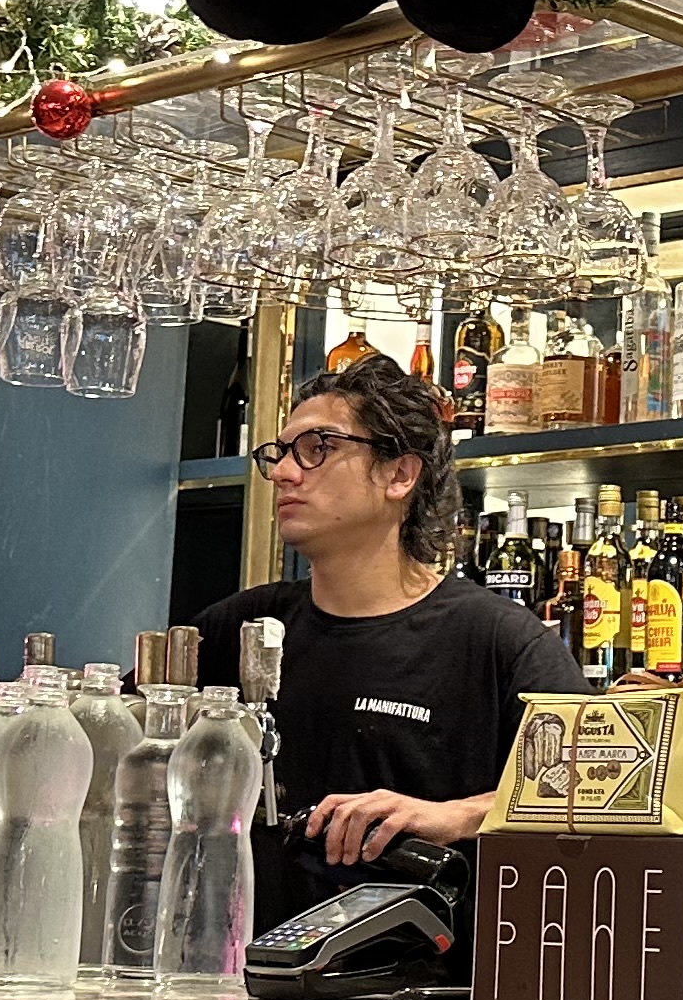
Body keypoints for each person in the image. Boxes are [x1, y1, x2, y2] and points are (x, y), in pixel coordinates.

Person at [190, 354, 579, 933]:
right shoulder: (239, 627)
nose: (284, 473)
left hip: (423, 981)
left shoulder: (500, 641)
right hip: (245, 972)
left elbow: (591, 797)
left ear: (400, 474)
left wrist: (455, 816)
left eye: (317, 448)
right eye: (280, 453)